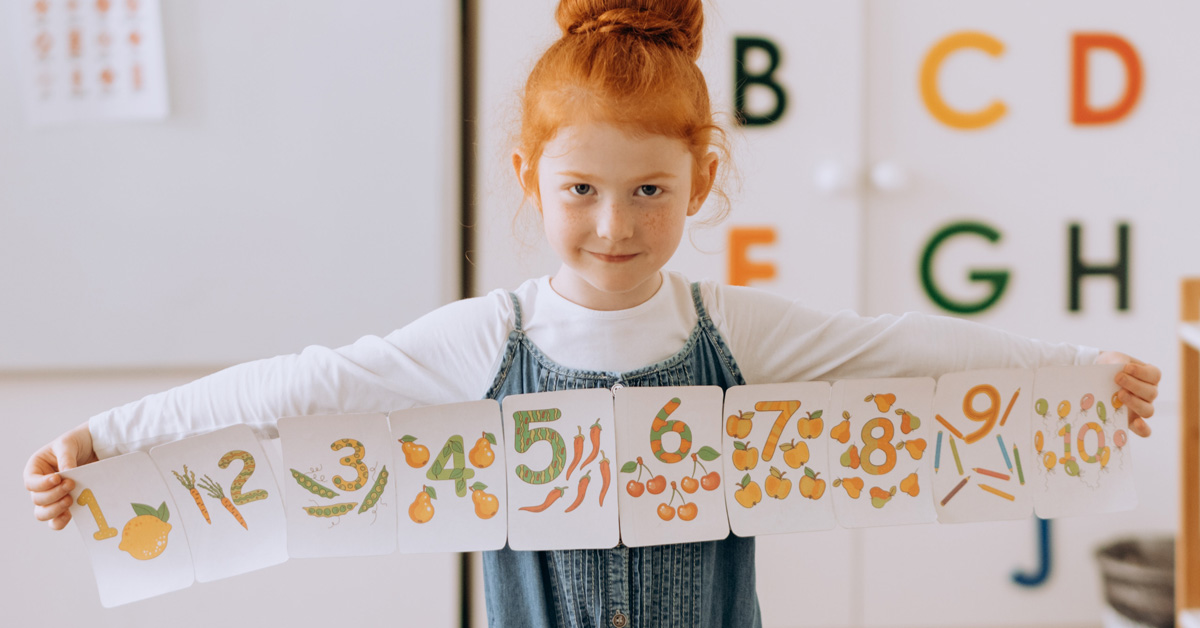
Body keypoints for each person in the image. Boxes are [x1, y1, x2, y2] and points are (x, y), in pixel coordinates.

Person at [25, 1, 1160, 626]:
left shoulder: (733, 333)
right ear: (530, 179)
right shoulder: (490, 339)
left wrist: (1077, 369)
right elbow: (303, 386)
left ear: (700, 182)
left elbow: (897, 349)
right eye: (581, 189)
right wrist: (107, 442)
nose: (614, 225)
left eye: (649, 191)